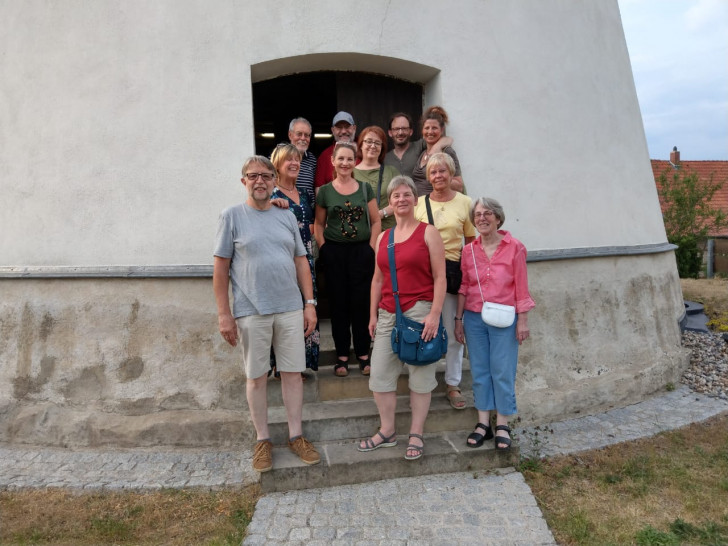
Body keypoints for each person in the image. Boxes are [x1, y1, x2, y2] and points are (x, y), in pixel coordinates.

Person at [213, 155, 320, 473]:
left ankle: (296, 435)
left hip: (289, 307)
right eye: (253, 175)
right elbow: (220, 268)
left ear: (274, 180)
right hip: (251, 311)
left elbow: (301, 260)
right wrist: (224, 313)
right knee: (256, 377)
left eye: (266, 175)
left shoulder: (286, 215)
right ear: (243, 180)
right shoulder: (231, 216)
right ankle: (262, 440)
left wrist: (309, 303)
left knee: (292, 374)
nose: (259, 180)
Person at [358, 175, 446, 461]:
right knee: (380, 377)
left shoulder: (428, 232)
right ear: (390, 201)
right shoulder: (384, 237)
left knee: (420, 375)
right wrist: (372, 314)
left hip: (420, 311)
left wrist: (434, 314)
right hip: (387, 314)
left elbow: (440, 277)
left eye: (407, 194)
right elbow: (377, 278)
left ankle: (416, 433)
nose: (402, 199)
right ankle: (388, 431)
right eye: (396, 195)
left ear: (415, 199)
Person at [454, 197, 535, 450]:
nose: (482, 218)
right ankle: (482, 424)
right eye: (477, 214)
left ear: (498, 218)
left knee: (502, 370)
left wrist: (522, 321)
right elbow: (464, 287)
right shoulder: (468, 251)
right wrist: (459, 320)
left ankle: (502, 424)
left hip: (505, 318)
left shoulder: (515, 247)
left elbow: (521, 287)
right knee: (480, 370)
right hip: (475, 318)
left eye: (488, 213)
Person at [414, 153, 476, 411]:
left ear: (452, 175)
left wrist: (469, 280)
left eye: (442, 171)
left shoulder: (465, 203)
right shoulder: (418, 203)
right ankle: (422, 382)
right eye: (433, 172)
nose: (438, 176)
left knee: (452, 332)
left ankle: (452, 383)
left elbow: (471, 243)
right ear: (428, 177)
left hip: (451, 274)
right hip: (422, 274)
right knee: (420, 329)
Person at [315, 142, 381, 376]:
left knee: (361, 304)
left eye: (350, 159)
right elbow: (319, 224)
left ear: (356, 161)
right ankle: (342, 356)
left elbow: (375, 221)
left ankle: (363, 354)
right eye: (340, 159)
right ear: (333, 161)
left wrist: (371, 249)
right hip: (335, 254)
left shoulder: (365, 189)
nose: (345, 163)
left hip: (361, 253)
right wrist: (325, 249)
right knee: (339, 305)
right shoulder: (324, 191)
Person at [269, 143, 319, 374]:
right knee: (285, 313)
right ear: (277, 165)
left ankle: (299, 365)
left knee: (305, 309)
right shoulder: (270, 195)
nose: (294, 163)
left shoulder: (305, 193)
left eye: (297, 160)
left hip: (305, 259)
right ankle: (282, 366)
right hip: (283, 262)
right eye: (289, 160)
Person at [354, 125, 400, 230]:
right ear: (361, 145)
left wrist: (382, 213)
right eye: (369, 141)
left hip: (388, 233)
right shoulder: (350, 173)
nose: (373, 146)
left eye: (377, 143)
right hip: (360, 233)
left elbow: (401, 200)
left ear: (381, 148)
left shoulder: (392, 172)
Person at [411, 106, 464, 196]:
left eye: (434, 128)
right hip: (420, 206)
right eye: (427, 128)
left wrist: (439, 179)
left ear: (442, 130)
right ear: (422, 130)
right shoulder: (423, 153)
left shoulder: (447, 152)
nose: (430, 132)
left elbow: (459, 186)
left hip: (437, 204)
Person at [384, 112, 452, 179]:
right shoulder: (385, 158)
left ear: (411, 131)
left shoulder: (419, 146)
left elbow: (448, 139)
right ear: (390, 133)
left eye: (404, 128)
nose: (400, 132)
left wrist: (437, 147)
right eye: (396, 129)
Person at [314, 111, 357, 191]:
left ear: (354, 128)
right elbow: (319, 189)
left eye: (347, 127)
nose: (344, 131)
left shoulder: (363, 152)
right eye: (339, 127)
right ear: (333, 130)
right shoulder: (324, 156)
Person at [288, 117, 317, 207]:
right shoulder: (277, 157)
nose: (303, 138)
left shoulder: (312, 160)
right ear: (290, 135)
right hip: (284, 211)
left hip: (308, 216)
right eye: (299, 134)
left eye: (307, 135)